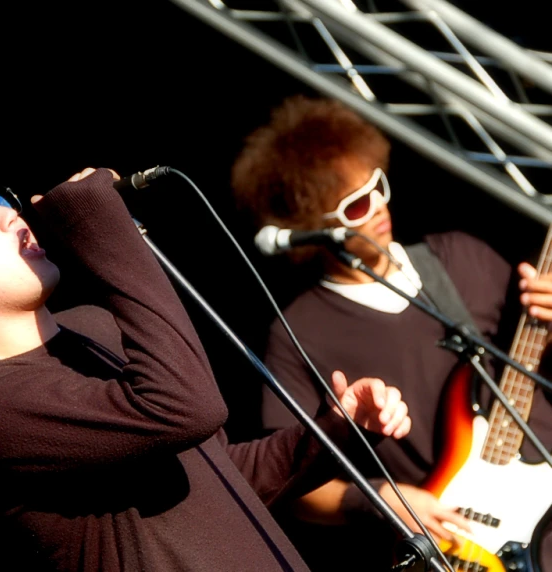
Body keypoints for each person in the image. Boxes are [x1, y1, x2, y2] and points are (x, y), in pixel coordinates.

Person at [0, 157, 413, 571]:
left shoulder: (93, 327)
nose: (9, 217)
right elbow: (185, 408)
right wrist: (100, 221)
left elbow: (214, 481)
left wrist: (333, 430)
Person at [230, 95, 552, 571]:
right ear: (314, 227)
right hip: (459, 545)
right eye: (357, 205)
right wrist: (382, 497)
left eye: (377, 185)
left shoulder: (461, 256)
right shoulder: (297, 333)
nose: (379, 205)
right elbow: (290, 483)